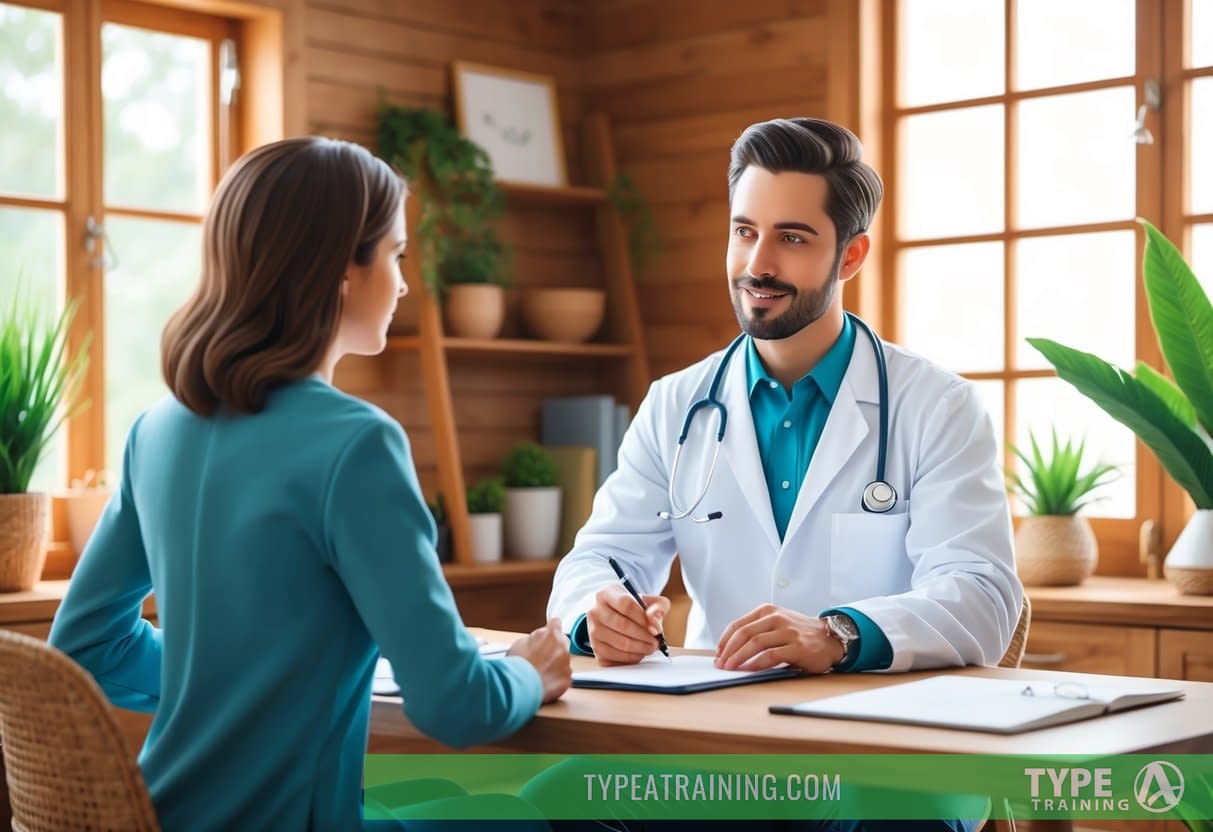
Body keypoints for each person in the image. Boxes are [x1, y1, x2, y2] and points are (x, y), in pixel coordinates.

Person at [49, 136, 571, 832]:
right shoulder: (357, 443)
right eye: (396, 254)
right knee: (580, 803)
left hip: (169, 818)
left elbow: (87, 644)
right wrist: (531, 672)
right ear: (340, 272)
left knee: (477, 798)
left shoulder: (157, 428)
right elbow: (455, 705)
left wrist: (238, 677)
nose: (406, 282)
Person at [549, 115, 1022, 679]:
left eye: (791, 238)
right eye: (744, 231)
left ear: (850, 256)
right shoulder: (676, 404)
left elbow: (983, 598)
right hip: (710, 725)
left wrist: (838, 634)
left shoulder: (936, 407)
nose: (757, 265)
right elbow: (599, 559)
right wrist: (597, 615)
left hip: (872, 729)